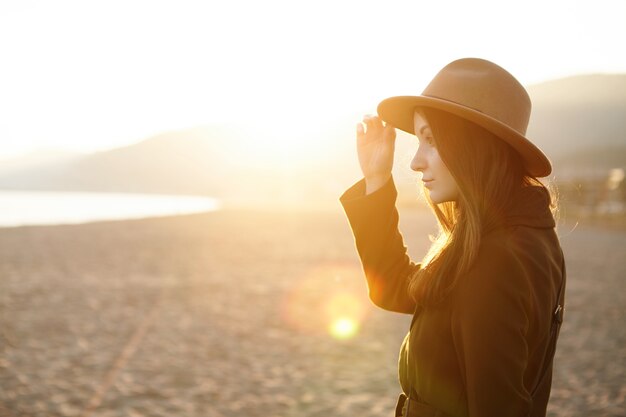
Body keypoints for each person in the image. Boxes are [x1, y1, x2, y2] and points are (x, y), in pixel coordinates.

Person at [340, 58, 566, 417]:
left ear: (473, 144)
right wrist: (376, 179)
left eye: (431, 140)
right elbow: (397, 287)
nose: (415, 161)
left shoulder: (499, 259)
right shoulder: (503, 235)